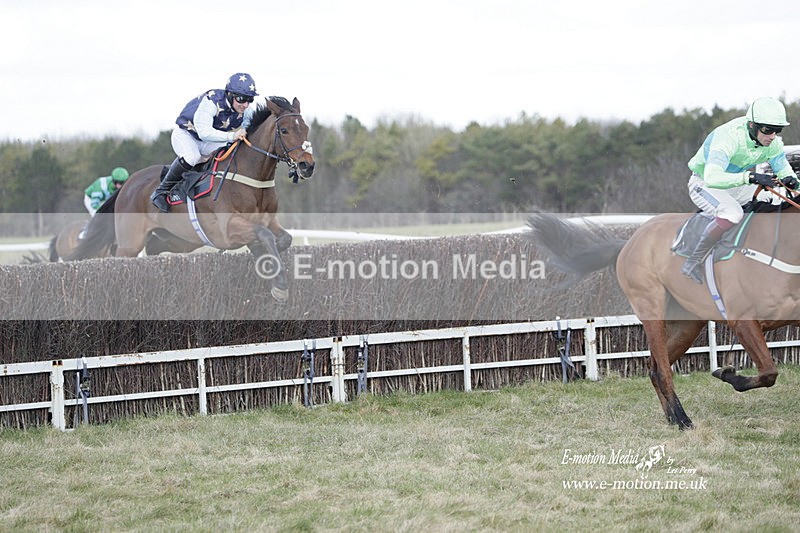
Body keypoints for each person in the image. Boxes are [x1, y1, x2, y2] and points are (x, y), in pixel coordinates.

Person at [680, 97, 800, 284]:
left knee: (772, 199)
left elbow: (784, 171)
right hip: (705, 183)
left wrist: (793, 182)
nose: (772, 136)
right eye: (768, 130)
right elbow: (713, 177)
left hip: (735, 184)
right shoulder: (728, 137)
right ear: (752, 125)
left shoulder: (773, 143)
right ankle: (693, 260)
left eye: (777, 130)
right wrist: (750, 177)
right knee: (732, 213)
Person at [150, 72, 260, 212]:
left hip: (207, 141)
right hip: (186, 134)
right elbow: (204, 132)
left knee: (232, 150)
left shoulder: (245, 109)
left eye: (249, 99)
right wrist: (232, 136)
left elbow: (249, 122)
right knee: (192, 157)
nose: (245, 104)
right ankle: (161, 191)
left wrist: (244, 129)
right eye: (241, 99)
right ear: (230, 94)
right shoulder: (211, 101)